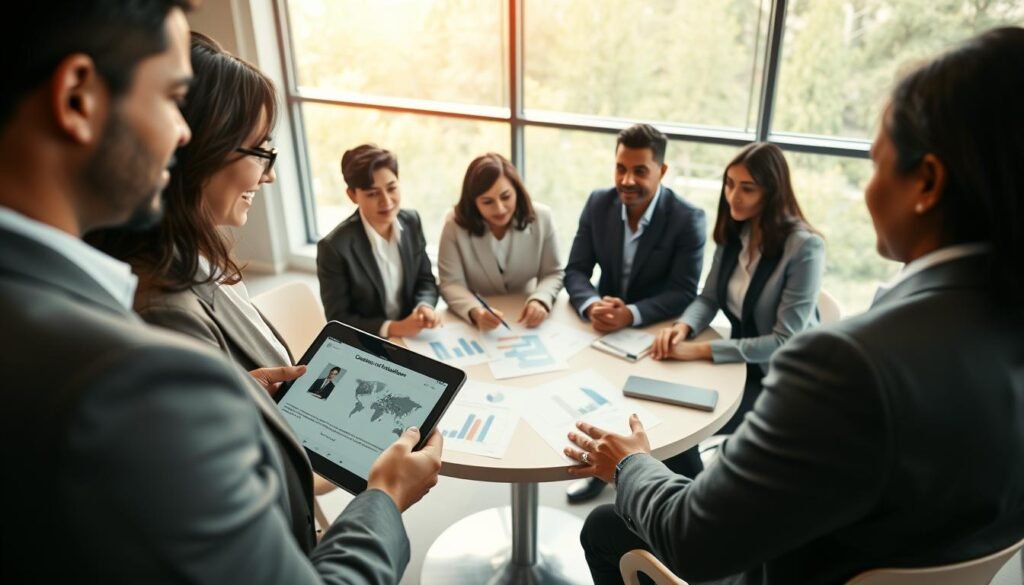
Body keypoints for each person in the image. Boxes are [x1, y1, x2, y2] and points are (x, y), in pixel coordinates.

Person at [0, 3, 442, 583]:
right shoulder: (143, 375)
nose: (180, 133)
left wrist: (241, 399)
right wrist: (384, 496)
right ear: (78, 98)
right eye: (170, 98)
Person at [566, 26, 1024, 585]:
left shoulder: (845, 364)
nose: (868, 190)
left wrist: (630, 465)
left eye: (875, 163)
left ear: (926, 183)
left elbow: (695, 541)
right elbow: (706, 297)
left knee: (605, 525)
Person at [563, 123, 707, 503]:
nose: (627, 180)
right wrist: (591, 304)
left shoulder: (687, 218)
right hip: (603, 332)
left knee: (672, 430)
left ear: (662, 170)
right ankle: (601, 470)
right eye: (620, 168)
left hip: (656, 335)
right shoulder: (599, 203)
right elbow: (576, 270)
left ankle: (687, 502)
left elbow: (683, 291)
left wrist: (631, 313)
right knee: (591, 400)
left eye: (639, 170)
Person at [652, 142, 825, 435]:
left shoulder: (805, 247)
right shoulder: (734, 233)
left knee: (687, 426)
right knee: (667, 407)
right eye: (729, 184)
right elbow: (708, 298)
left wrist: (698, 351)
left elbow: (783, 340)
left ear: (772, 193)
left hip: (784, 379)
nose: (733, 196)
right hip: (739, 364)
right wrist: (682, 328)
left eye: (747, 188)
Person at [317, 144, 441, 338]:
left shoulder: (411, 221)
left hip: (413, 336)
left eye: (391, 188)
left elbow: (425, 280)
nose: (386, 201)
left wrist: (424, 306)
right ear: (352, 195)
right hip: (369, 342)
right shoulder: (333, 248)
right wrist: (393, 328)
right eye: (372, 193)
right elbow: (338, 319)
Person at [438, 152, 564, 330]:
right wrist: (475, 311)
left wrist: (540, 300)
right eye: (487, 202)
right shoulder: (454, 224)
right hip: (476, 325)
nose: (500, 209)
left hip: (525, 317)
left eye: (506, 197)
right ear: (473, 202)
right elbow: (451, 283)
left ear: (517, 191)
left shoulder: (542, 217)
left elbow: (553, 272)